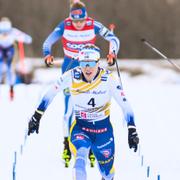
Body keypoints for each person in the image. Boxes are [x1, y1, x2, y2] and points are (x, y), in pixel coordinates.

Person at [28, 44, 139, 180]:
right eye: (84, 63)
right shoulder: (71, 75)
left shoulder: (108, 79)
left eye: (91, 63)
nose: (87, 68)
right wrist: (37, 116)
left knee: (107, 174)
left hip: (103, 132)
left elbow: (125, 105)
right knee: (81, 157)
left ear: (98, 62)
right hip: (81, 128)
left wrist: (131, 128)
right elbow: (50, 93)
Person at [42, 1, 120, 165]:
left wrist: (112, 53)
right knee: (69, 109)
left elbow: (113, 38)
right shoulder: (64, 25)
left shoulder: (93, 24)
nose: (78, 24)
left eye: (81, 21)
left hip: (90, 66)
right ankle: (66, 144)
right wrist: (47, 54)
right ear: (71, 18)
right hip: (70, 66)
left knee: (92, 106)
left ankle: (92, 144)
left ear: (86, 17)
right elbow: (47, 42)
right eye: (75, 21)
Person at [0, 17, 32, 100]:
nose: (5, 34)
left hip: (10, 50)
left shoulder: (13, 31)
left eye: (6, 31)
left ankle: (11, 89)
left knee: (10, 70)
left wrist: (23, 38)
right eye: (3, 32)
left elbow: (28, 39)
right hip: (1, 50)